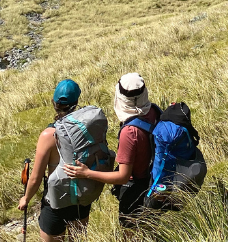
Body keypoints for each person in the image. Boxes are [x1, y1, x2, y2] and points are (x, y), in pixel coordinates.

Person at [64, 73, 161, 228]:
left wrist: (86, 173)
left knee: (131, 235)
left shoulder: (129, 133)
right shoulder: (153, 111)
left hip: (137, 190)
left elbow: (122, 177)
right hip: (156, 182)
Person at [19, 79, 93, 242]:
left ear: (54, 102)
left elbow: (36, 178)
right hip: (81, 196)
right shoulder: (88, 128)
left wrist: (26, 198)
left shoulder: (49, 135)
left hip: (56, 199)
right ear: (76, 101)